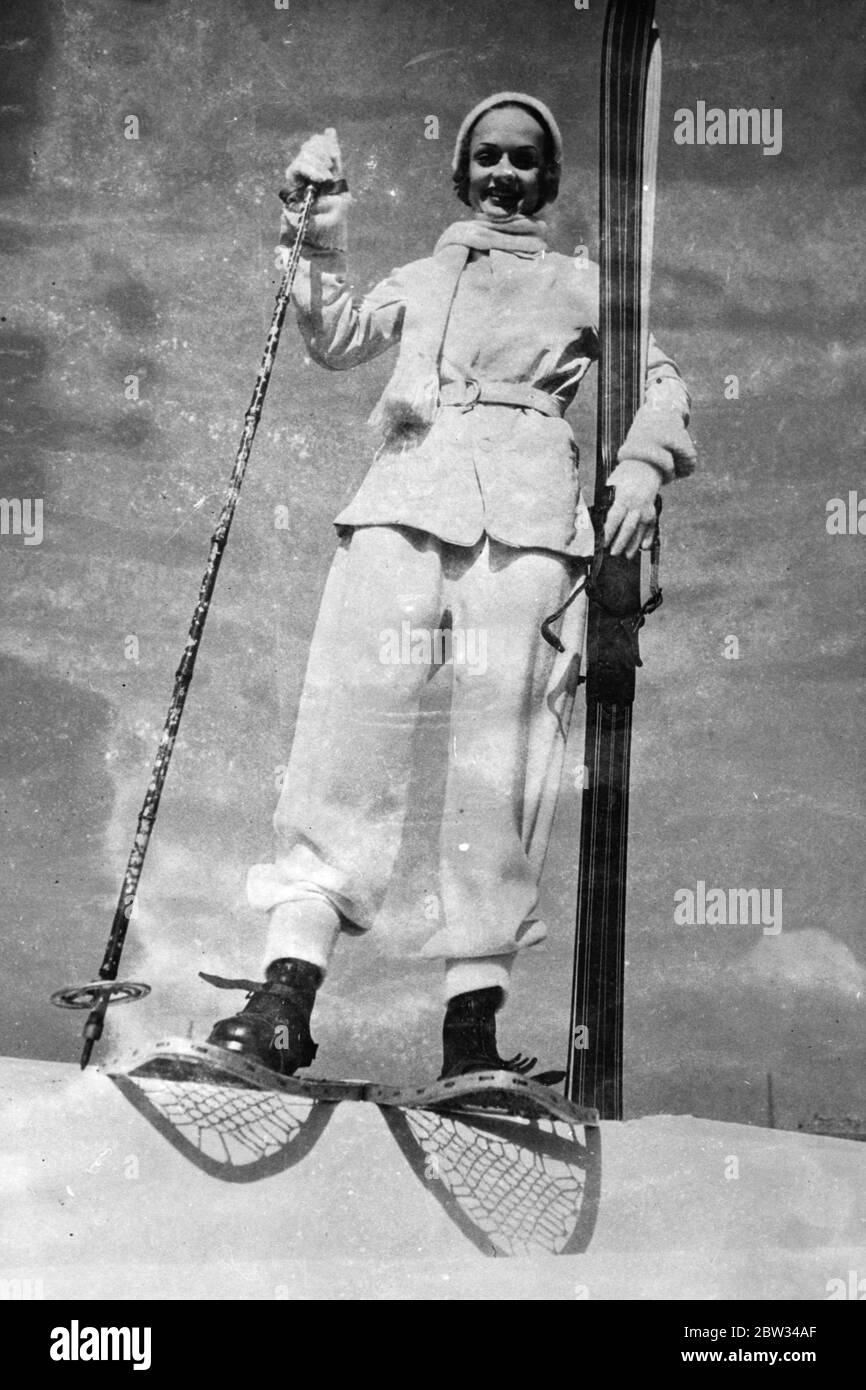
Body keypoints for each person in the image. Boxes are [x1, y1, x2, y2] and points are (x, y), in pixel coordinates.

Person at [204, 93, 696, 1080]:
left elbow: (661, 381)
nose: (504, 176)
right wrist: (315, 221)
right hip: (400, 501)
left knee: (500, 761)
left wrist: (639, 468)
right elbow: (336, 334)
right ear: (461, 172)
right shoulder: (423, 275)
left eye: (523, 163)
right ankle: (285, 990)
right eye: (487, 160)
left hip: (526, 524)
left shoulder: (582, 283)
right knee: (346, 730)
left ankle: (469, 1025)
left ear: (545, 182)